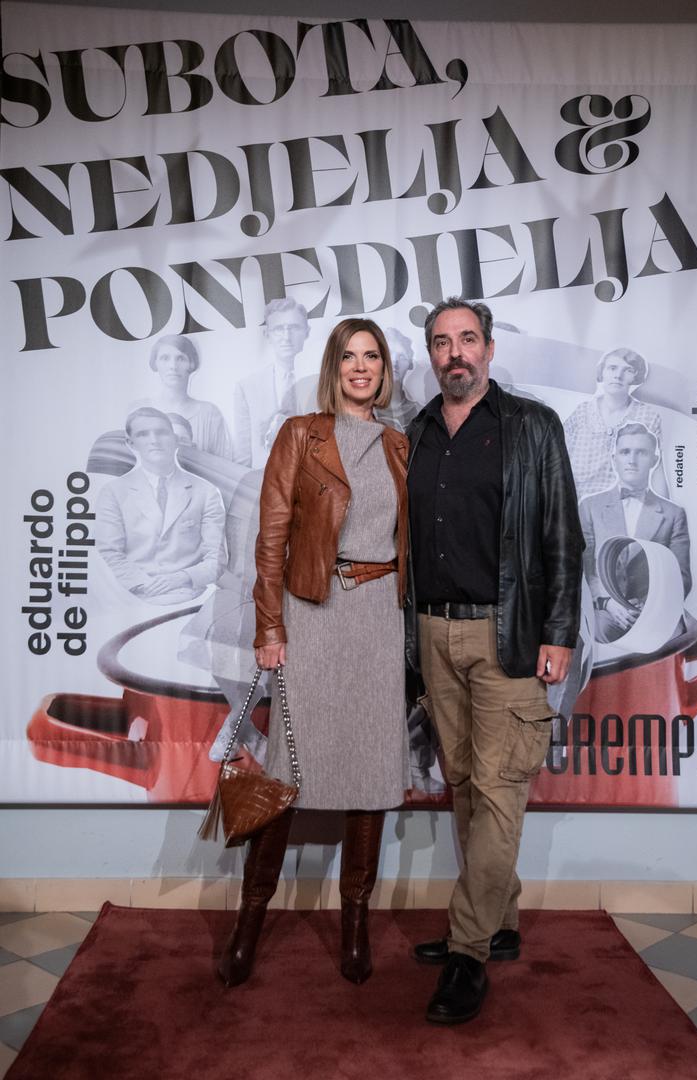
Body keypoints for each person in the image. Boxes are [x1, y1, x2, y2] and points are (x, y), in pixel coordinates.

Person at [406, 297, 584, 1025]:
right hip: (431, 634)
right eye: (442, 342)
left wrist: (560, 631)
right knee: (466, 786)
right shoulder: (416, 431)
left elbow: (563, 536)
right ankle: (498, 921)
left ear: (488, 347)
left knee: (501, 787)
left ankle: (468, 951)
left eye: (467, 339)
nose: (455, 353)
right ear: (431, 353)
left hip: (506, 635)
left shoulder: (532, 426)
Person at [218, 318, 410, 989]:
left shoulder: (399, 445)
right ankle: (249, 923)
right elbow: (271, 538)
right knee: (286, 772)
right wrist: (269, 628)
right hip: (311, 613)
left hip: (379, 619)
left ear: (384, 369)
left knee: (371, 770)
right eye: (349, 356)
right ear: (333, 367)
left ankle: (355, 924)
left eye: (372, 356)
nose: (361, 367)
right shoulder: (301, 434)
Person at [96, 408, 227, 604]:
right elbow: (109, 553)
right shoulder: (113, 492)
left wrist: (182, 577)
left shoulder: (206, 491)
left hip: (192, 596)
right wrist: (145, 585)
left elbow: (217, 558)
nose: (154, 440)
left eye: (161, 432)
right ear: (130, 443)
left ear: (175, 440)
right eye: (143, 434)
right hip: (134, 598)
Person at [579, 422, 691, 642]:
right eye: (625, 452)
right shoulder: (590, 507)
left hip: (653, 611)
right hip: (605, 610)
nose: (632, 460)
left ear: (654, 460)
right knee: (597, 630)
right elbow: (582, 567)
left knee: (677, 636)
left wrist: (647, 606)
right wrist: (607, 603)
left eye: (641, 452)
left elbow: (682, 577)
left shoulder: (673, 514)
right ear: (614, 459)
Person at [563, 346, 666, 499]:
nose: (618, 376)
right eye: (612, 368)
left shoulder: (648, 417)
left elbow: (657, 470)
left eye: (628, 370)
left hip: (624, 505)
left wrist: (665, 510)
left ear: (636, 376)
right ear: (602, 372)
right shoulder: (581, 413)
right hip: (576, 504)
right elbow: (558, 464)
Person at [233, 298, 316, 467]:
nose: (286, 337)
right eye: (278, 329)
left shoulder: (325, 382)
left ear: (307, 332)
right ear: (267, 334)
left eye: (294, 328)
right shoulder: (247, 388)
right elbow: (243, 458)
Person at [140, 334, 233, 458]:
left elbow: (222, 464)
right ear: (155, 363)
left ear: (192, 364)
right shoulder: (138, 409)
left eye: (181, 358)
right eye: (165, 358)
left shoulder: (209, 414)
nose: (173, 366)